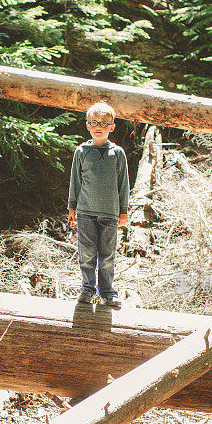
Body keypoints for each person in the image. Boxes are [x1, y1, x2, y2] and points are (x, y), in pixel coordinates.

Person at [68, 101, 129, 307]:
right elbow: (75, 181)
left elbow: (123, 184)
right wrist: (72, 207)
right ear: (87, 125)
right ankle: (87, 290)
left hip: (110, 214)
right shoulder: (82, 152)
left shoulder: (117, 153)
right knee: (86, 254)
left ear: (112, 127)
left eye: (104, 123)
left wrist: (123, 211)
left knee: (107, 256)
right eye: (94, 122)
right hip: (85, 211)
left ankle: (107, 292)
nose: (98, 126)